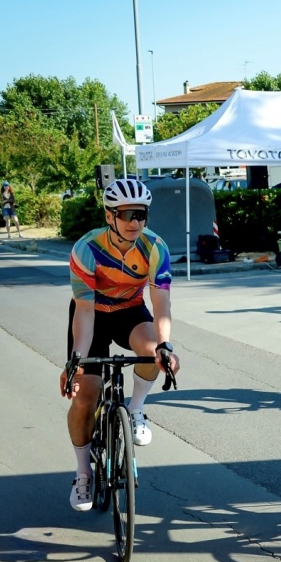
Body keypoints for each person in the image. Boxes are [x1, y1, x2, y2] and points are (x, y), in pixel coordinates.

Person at [60, 178, 181, 511]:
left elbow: (161, 305)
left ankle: (136, 408)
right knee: (86, 397)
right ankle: (83, 471)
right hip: (92, 315)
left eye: (141, 215)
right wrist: (76, 361)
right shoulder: (86, 249)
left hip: (130, 311)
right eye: (127, 214)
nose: (135, 223)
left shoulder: (155, 248)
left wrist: (165, 346)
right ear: (110, 215)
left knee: (152, 349)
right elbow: (84, 310)